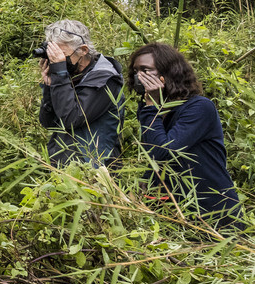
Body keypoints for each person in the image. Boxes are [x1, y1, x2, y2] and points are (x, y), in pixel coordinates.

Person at [128, 42, 241, 227]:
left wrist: (151, 108)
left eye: (146, 70)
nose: (139, 77)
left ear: (167, 74)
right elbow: (153, 157)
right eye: (135, 71)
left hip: (212, 208)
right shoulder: (152, 108)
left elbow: (163, 152)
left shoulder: (199, 107)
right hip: (175, 209)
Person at [37, 19, 124, 166]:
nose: (56, 61)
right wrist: (49, 86)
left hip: (95, 170)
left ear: (83, 50)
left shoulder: (105, 78)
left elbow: (71, 119)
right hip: (64, 166)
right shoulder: (70, 73)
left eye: (61, 55)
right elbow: (48, 123)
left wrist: (60, 74)